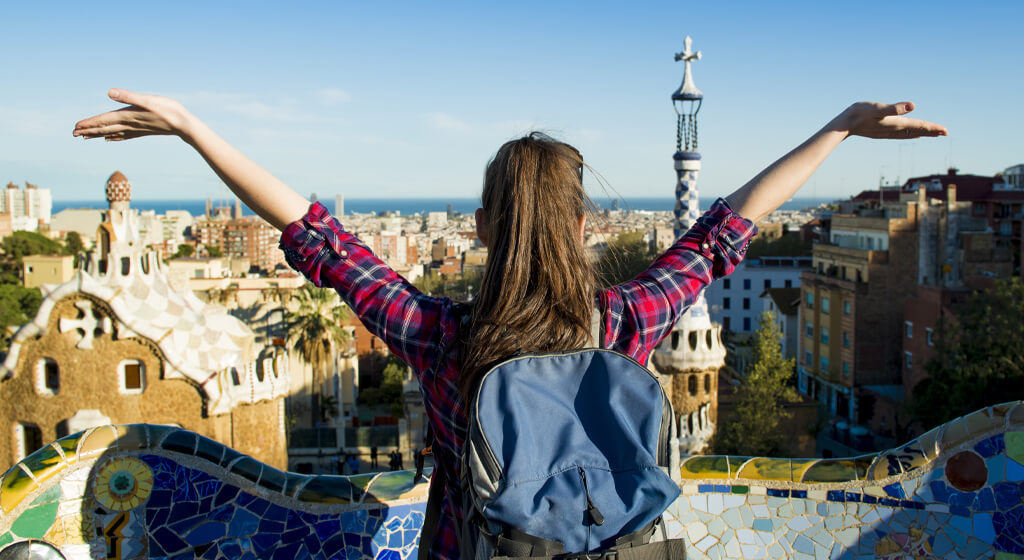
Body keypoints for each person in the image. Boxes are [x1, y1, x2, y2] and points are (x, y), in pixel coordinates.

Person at [73, 89, 945, 559]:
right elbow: (726, 232)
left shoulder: (440, 336)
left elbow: (318, 239)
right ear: (580, 228)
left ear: (482, 229)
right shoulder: (626, 321)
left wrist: (193, 129)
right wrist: (839, 126)